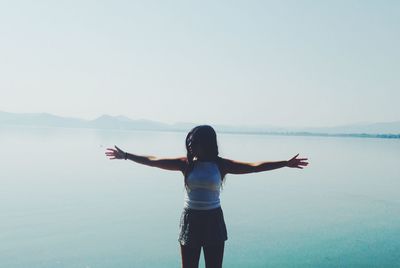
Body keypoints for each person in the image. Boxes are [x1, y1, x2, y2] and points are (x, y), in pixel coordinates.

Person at [105, 125, 309, 268]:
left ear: (207, 142)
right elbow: (153, 160)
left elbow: (254, 167)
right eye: (190, 142)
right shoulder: (186, 164)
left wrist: (284, 163)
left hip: (213, 219)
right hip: (191, 219)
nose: (191, 146)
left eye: (195, 142)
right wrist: (126, 155)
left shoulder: (221, 165)